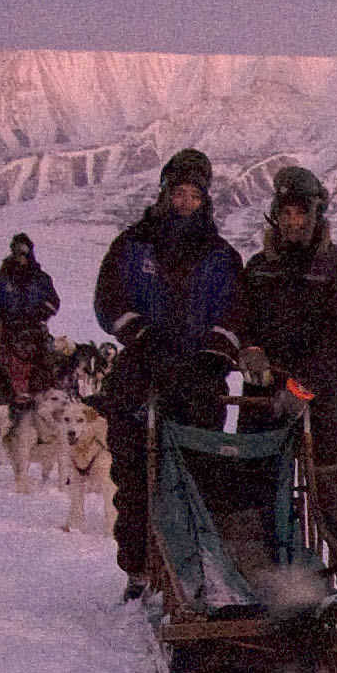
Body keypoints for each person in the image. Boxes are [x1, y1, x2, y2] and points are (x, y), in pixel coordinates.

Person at [93, 148, 244, 592]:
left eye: (193, 195)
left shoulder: (221, 257)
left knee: (198, 478)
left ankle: (192, 571)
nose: (184, 201)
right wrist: (140, 335)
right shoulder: (131, 245)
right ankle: (139, 572)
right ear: (163, 193)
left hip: (199, 383)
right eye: (177, 192)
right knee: (136, 479)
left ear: (206, 200)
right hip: (140, 376)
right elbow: (109, 302)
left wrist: (216, 353)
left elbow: (236, 313)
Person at [235, 163, 337, 591]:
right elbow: (241, 320)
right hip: (261, 398)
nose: (294, 222)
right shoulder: (258, 269)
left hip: (323, 400)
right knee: (253, 490)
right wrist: (251, 350)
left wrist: (304, 386)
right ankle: (254, 585)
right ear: (274, 216)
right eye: (287, 213)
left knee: (336, 493)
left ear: (317, 215)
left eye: (302, 213)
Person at [0, 232, 61, 400]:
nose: (21, 256)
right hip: (5, 327)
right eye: (18, 251)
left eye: (25, 252)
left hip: (34, 327)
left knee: (46, 362)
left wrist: (44, 311)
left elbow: (53, 301)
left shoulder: (41, 279)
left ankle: (40, 397)